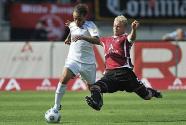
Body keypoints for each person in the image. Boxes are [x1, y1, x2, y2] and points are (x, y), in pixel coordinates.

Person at [85, 15, 162, 111]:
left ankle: (152, 92)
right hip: (110, 75)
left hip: (126, 74)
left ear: (124, 28)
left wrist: (133, 29)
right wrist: (82, 37)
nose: (115, 28)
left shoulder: (125, 38)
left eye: (118, 26)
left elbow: (132, 38)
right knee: (95, 87)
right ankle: (97, 103)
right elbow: (95, 40)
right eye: (114, 26)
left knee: (147, 96)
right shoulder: (106, 40)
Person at [46, 3, 101, 112]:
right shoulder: (72, 24)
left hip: (88, 63)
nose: (76, 21)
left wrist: (82, 37)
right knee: (64, 78)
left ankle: (98, 101)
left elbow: (97, 41)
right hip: (73, 59)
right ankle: (56, 106)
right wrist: (68, 38)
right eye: (74, 18)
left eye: (79, 19)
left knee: (92, 88)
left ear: (85, 16)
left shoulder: (91, 26)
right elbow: (72, 30)